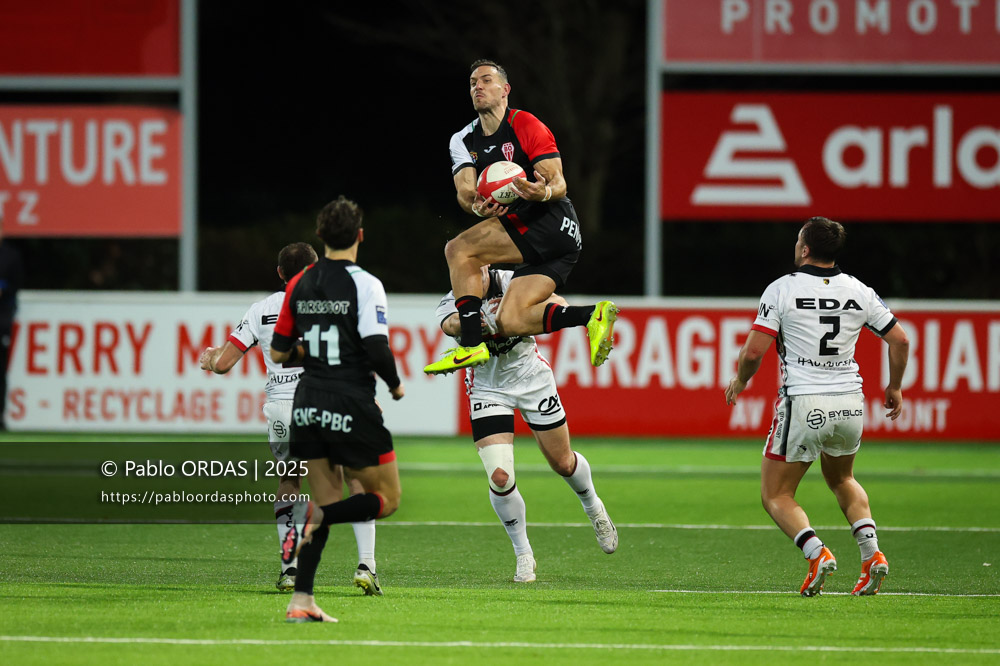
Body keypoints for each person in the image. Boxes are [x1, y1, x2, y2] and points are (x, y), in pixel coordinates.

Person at [725, 217, 910, 597]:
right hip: (850, 402)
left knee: (776, 494)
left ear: (805, 248)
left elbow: (754, 351)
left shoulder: (782, 289)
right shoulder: (859, 289)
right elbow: (900, 340)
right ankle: (872, 555)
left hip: (804, 401)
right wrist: (894, 386)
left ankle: (816, 553)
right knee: (843, 479)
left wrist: (741, 380)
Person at [199, 242, 380, 595]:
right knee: (354, 478)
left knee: (290, 479)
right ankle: (366, 565)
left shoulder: (261, 309)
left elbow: (223, 364)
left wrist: (210, 359)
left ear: (280, 273)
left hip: (284, 405)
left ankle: (290, 569)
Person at [424, 58, 617, 376]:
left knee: (458, 250)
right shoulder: (463, 139)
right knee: (511, 320)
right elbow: (465, 191)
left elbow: (559, 182)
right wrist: (477, 207)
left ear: (505, 90)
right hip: (552, 244)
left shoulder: (525, 124)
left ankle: (471, 344)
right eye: (472, 83)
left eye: (486, 80)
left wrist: (542, 192)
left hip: (551, 218)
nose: (478, 87)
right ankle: (591, 315)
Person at [437, 266, 618, 582]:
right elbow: (449, 323)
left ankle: (594, 507)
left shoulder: (512, 281)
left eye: (477, 269)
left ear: (487, 264)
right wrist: (470, 323)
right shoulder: (454, 298)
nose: (470, 277)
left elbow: (556, 302)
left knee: (563, 463)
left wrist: (521, 313)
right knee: (500, 476)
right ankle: (523, 554)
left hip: (532, 379)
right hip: (488, 388)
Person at [271, 196, 404, 623]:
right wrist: (396, 385)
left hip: (307, 402)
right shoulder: (366, 284)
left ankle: (302, 600)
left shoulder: (299, 283)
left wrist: (308, 349)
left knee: (323, 495)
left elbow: (278, 353)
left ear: (320, 235)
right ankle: (320, 518)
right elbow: (376, 347)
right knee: (386, 499)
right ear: (360, 235)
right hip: (350, 401)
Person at [0, 222, 23, 430]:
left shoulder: (11, 256)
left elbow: (15, 285)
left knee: (0, 370)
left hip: (2, 319)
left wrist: (3, 288)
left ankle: (0, 416)